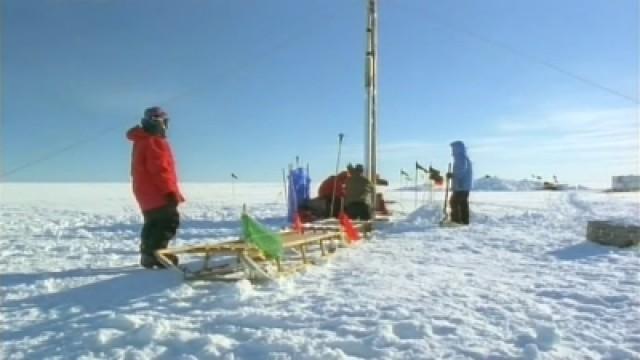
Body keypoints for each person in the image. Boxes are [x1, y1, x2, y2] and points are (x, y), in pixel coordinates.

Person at [127, 106, 185, 268]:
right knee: (168, 222)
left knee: (153, 224)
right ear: (157, 122)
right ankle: (158, 256)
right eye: (165, 122)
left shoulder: (141, 141)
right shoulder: (154, 141)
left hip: (145, 193)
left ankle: (148, 254)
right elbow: (160, 170)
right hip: (157, 192)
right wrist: (169, 192)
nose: (166, 126)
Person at [447, 140, 472, 225]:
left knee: (454, 202)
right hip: (463, 186)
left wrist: (452, 175)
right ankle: (464, 221)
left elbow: (461, 171)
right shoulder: (463, 157)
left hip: (461, 185)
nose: (452, 150)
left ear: (458, 148)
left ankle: (456, 221)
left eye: (453, 148)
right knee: (462, 203)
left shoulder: (460, 157)